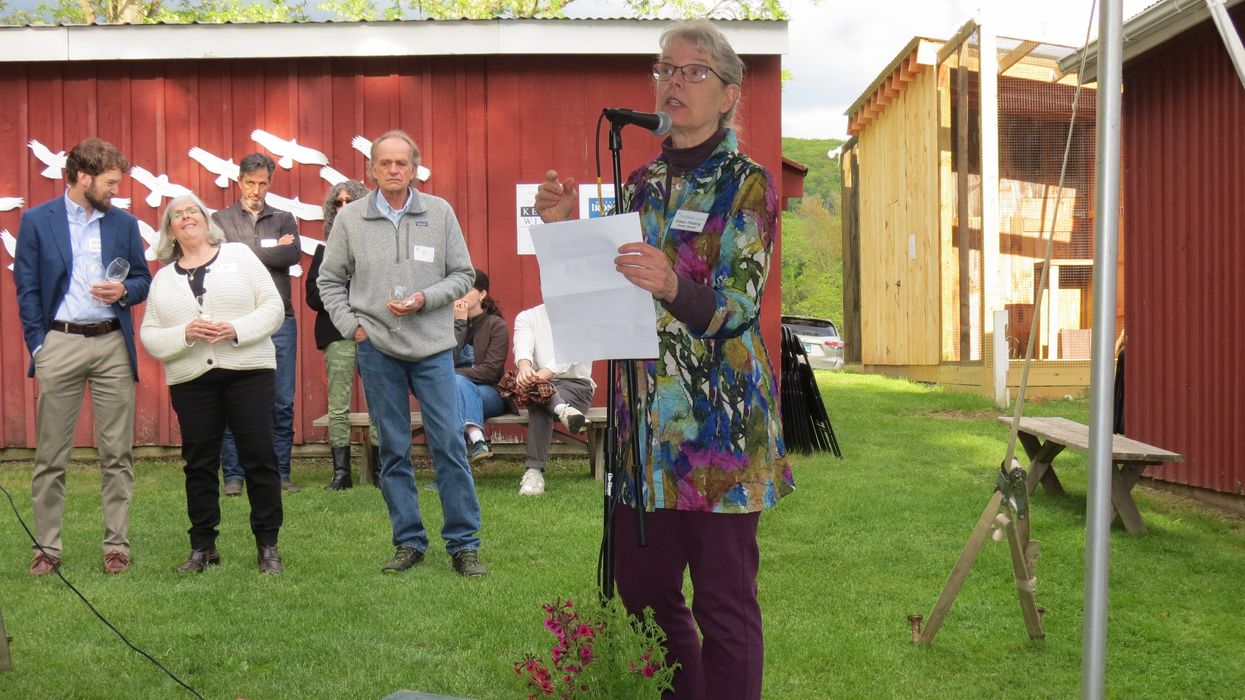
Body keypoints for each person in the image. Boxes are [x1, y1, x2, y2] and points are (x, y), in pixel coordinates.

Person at [535, 19, 794, 699]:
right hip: (642, 427)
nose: (672, 82)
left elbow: (738, 303)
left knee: (724, 603)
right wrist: (562, 229)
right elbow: (605, 284)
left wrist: (672, 284)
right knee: (641, 590)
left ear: (729, 94)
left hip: (719, 428)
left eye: (692, 71)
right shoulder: (641, 182)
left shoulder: (748, 184)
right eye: (664, 70)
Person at [316, 130, 487, 577]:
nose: (393, 170)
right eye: (385, 163)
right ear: (371, 169)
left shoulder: (440, 212)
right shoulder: (351, 218)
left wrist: (424, 299)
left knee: (448, 442)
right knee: (392, 448)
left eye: (402, 163)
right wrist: (352, 327)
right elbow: (328, 280)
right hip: (378, 350)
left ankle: (464, 544)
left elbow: (463, 274)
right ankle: (409, 541)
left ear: (415, 168)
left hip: (431, 347)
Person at [14, 137, 152, 576]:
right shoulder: (37, 221)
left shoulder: (124, 224)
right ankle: (47, 549)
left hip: (112, 342)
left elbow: (144, 279)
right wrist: (40, 344)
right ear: (82, 177)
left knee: (117, 453)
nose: (115, 191)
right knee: (51, 455)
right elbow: (28, 289)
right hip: (61, 343)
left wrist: (125, 291)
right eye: (110, 182)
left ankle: (117, 546)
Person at [140, 194, 286, 574]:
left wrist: (235, 329)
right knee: (199, 464)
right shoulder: (162, 280)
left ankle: (267, 545)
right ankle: (202, 546)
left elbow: (273, 308)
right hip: (192, 381)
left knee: (259, 457)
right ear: (170, 230)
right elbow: (151, 336)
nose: (187, 217)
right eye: (178, 215)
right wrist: (185, 333)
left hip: (249, 373)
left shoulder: (238, 255)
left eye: (194, 211)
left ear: (207, 220)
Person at [210, 153, 302, 495]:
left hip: (280, 318)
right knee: (233, 397)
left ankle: (280, 473)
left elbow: (291, 255)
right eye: (251, 183)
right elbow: (218, 260)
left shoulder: (283, 218)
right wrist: (266, 250)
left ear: (270, 183)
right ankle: (233, 476)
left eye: (263, 183)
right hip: (234, 320)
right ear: (239, 182)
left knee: (282, 399)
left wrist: (242, 251)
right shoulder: (219, 220)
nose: (257, 190)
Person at [306, 179, 377, 489]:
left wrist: (342, 290)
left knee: (379, 400)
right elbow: (313, 296)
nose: (343, 206)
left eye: (350, 200)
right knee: (338, 404)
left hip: (375, 333)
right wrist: (344, 290)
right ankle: (341, 473)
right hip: (336, 333)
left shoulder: (376, 247)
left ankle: (379, 472)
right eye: (338, 202)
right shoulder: (324, 251)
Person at [509, 303, 594, 496]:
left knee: (539, 395)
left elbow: (568, 356)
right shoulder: (527, 317)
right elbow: (522, 347)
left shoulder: (583, 317)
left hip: (576, 386)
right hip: (538, 384)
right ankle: (562, 411)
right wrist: (524, 368)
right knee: (539, 397)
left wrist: (538, 377)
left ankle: (534, 471)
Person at [452, 268, 509, 465]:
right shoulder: (450, 325)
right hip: (453, 393)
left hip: (489, 393)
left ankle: (449, 472)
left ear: (482, 294)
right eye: (458, 291)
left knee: (453, 398)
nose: (461, 296)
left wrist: (454, 375)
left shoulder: (496, 326)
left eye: (467, 290)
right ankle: (478, 441)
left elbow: (491, 371)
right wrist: (459, 323)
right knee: (452, 403)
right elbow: (446, 360)